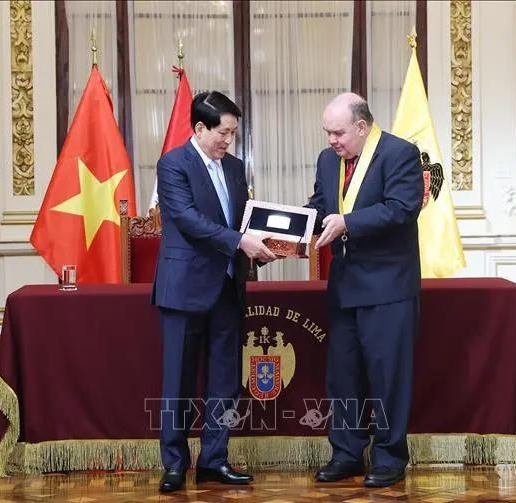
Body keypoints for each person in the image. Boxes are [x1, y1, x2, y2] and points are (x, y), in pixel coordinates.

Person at [151, 91, 277, 493]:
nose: (229, 141)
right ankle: (174, 463)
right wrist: (241, 242)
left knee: (225, 380)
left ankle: (214, 460)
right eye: (223, 132)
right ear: (200, 128)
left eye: (234, 133)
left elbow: (243, 219)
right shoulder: (173, 164)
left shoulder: (236, 167)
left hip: (227, 285)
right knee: (178, 380)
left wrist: (270, 240)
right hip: (184, 289)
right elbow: (188, 220)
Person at [307, 93, 423, 488]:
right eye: (328, 133)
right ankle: (346, 453)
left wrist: (349, 223)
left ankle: (390, 457)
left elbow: (402, 207)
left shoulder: (399, 153)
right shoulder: (328, 161)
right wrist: (287, 231)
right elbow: (320, 206)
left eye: (338, 133)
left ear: (362, 126)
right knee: (343, 376)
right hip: (344, 287)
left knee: (387, 376)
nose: (332, 141)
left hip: (388, 286)